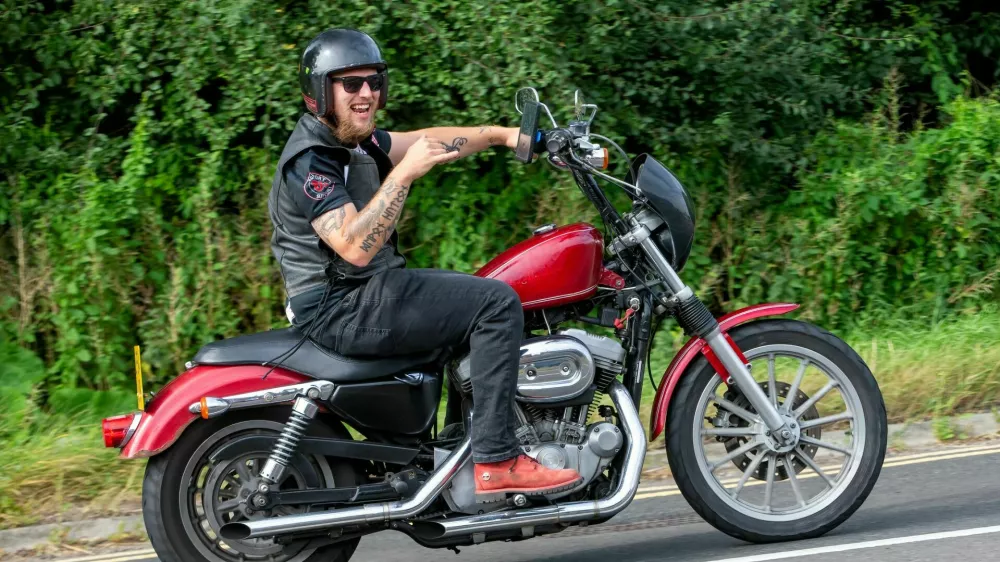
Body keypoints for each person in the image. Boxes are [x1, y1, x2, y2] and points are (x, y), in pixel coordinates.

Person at [268, 28, 582, 497]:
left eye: (373, 82)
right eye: (350, 84)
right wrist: (405, 173)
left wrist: (502, 136)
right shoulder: (313, 159)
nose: (367, 93)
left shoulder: (357, 141)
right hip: (342, 306)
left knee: (473, 293)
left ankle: (460, 453)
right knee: (494, 303)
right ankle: (497, 459)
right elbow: (354, 247)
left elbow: (430, 139)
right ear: (319, 93)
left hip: (363, 296)